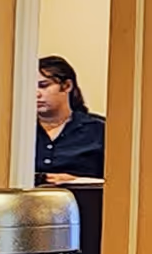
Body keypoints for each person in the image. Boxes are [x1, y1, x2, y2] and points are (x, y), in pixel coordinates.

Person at [35, 55, 105, 184]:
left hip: (84, 201)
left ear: (67, 86)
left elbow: (118, 183)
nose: (36, 93)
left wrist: (78, 181)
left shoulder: (99, 130)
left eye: (43, 86)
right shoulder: (18, 132)